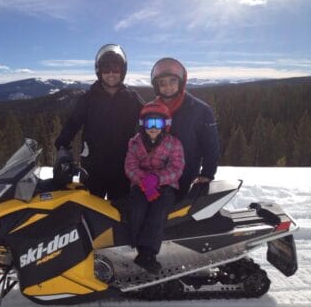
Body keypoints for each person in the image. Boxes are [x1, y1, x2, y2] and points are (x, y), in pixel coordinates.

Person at [54, 44, 144, 199]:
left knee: (119, 214)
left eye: (115, 69)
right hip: (93, 167)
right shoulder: (88, 99)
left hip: (123, 167)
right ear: (99, 71)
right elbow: (73, 123)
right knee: (91, 214)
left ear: (122, 71)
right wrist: (62, 146)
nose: (111, 74)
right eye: (106, 69)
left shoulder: (132, 98)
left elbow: (149, 118)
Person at [124, 102, 184, 274]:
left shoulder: (174, 144)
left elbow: (177, 168)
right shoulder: (134, 143)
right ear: (143, 125)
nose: (153, 128)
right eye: (150, 123)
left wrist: (156, 179)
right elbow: (130, 166)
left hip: (165, 186)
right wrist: (144, 182)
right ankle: (134, 243)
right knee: (137, 207)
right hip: (140, 185)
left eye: (158, 124)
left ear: (165, 125)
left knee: (159, 208)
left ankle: (147, 253)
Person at [150, 58, 219, 198]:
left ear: (181, 82)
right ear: (156, 86)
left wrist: (207, 174)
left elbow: (211, 145)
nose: (168, 87)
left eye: (172, 81)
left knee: (174, 217)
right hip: (155, 176)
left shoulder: (200, 110)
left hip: (185, 177)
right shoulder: (151, 110)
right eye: (162, 83)